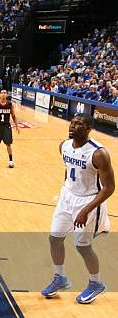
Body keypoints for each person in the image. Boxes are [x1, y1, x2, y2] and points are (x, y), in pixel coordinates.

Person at [42, 114, 114, 304]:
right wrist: (68, 189)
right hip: (67, 196)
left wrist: (85, 210)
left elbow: (109, 187)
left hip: (88, 201)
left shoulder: (99, 153)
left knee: (83, 247)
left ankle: (96, 283)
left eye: (79, 124)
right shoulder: (64, 145)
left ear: (89, 129)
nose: (73, 126)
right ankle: (60, 278)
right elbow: (68, 168)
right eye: (72, 123)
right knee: (54, 238)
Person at [0, 89, 20, 168]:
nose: (3, 94)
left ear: (7, 95)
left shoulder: (10, 105)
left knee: (8, 143)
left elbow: (14, 116)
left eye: (5, 93)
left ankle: (11, 161)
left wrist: (17, 126)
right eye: (2, 93)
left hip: (6, 126)